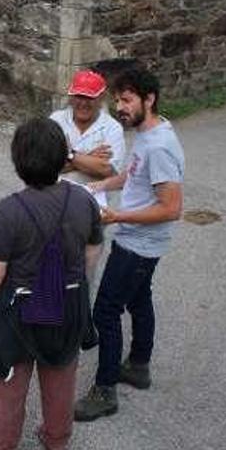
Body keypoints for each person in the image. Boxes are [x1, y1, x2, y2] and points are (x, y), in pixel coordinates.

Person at [0, 118, 103, 450]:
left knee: (9, 387)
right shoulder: (83, 200)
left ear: (18, 160)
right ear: (63, 158)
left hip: (18, 313)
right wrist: (78, 286)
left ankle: (1, 444)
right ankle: (56, 440)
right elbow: (92, 251)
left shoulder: (9, 211)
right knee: (61, 383)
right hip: (68, 306)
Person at [74, 68, 185, 421]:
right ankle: (138, 365)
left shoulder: (162, 146)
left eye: (127, 100)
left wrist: (118, 218)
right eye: (117, 100)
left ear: (148, 99)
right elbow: (133, 173)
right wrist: (99, 187)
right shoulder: (148, 134)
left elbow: (171, 208)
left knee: (105, 311)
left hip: (139, 244)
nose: (120, 107)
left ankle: (105, 389)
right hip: (138, 241)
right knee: (139, 299)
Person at [50, 69, 125, 287]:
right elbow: (46, 164)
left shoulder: (112, 128)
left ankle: (80, 314)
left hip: (93, 209)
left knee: (85, 267)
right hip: (54, 204)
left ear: (101, 98)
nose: (83, 103)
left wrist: (69, 154)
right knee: (51, 258)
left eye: (90, 97)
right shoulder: (56, 120)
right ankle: (49, 307)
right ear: (71, 96)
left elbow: (107, 171)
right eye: (79, 96)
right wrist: (90, 158)